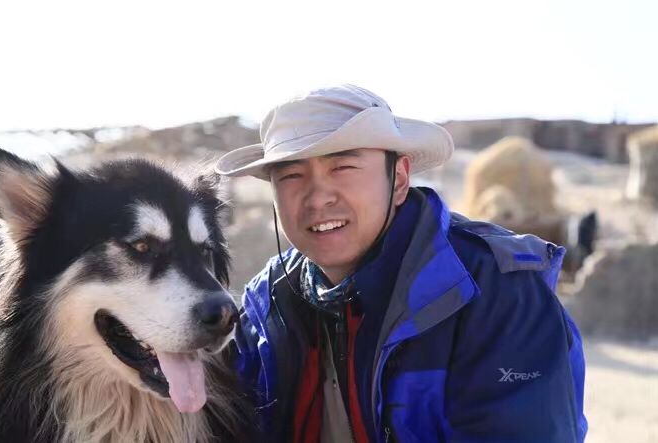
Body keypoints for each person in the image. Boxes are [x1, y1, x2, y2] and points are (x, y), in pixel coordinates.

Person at [214, 84, 587, 443]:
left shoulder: (494, 290)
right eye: (292, 175)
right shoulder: (268, 300)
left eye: (342, 167)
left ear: (400, 178)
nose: (317, 198)